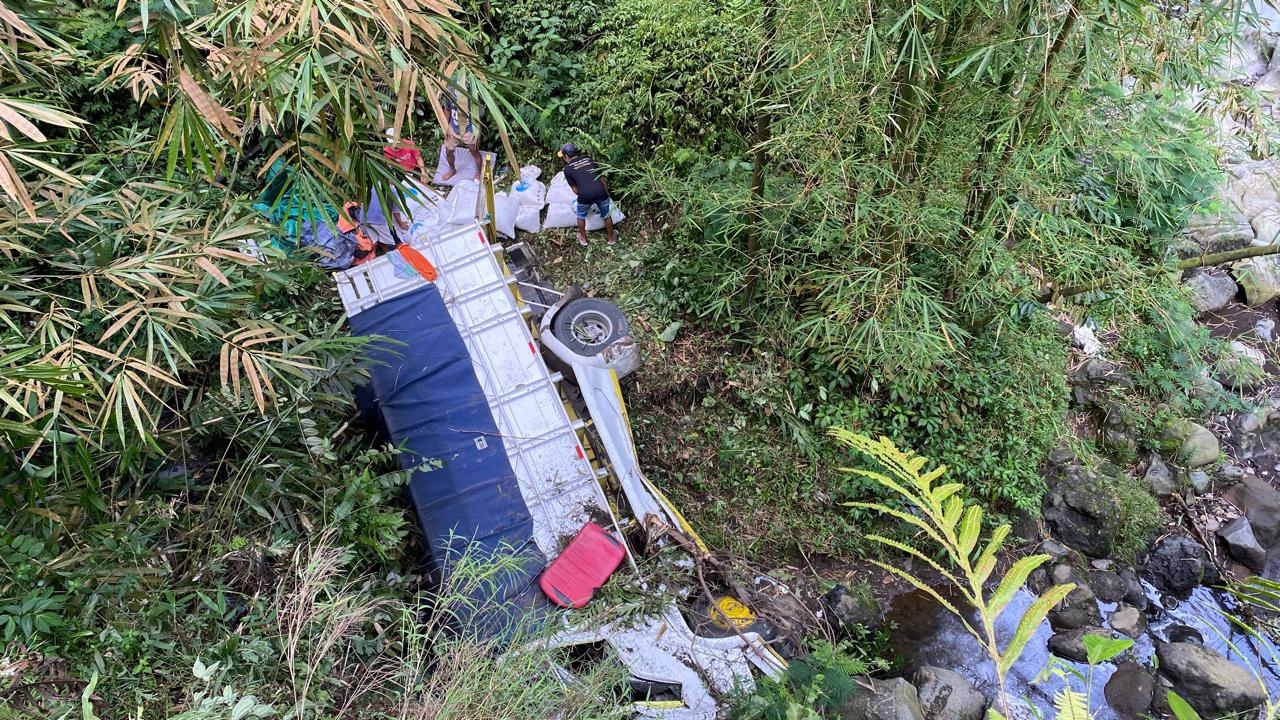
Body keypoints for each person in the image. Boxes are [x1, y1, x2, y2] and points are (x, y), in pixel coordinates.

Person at [559, 143, 616, 247]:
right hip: (600, 191)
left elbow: (575, 190)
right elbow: (602, 179)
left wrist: (585, 196)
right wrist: (607, 195)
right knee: (607, 215)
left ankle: (583, 239)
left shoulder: (567, 170)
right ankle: (611, 238)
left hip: (585, 195)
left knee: (580, 216)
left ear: (566, 157)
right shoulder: (589, 159)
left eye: (563, 157)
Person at [441, 75, 482, 181]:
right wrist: (446, 127)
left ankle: (478, 172)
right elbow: (447, 109)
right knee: (448, 151)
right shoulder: (449, 93)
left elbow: (479, 116)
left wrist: (476, 131)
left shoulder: (472, 96)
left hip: (469, 129)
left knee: (474, 151)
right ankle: (452, 170)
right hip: (454, 128)